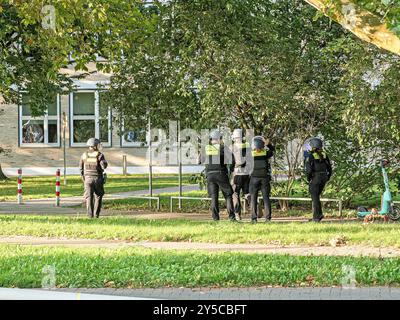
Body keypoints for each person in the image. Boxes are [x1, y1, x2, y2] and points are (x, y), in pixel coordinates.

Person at [200, 130, 235, 221]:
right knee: (228, 195)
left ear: (211, 139)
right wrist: (230, 170)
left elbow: (199, 160)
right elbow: (232, 160)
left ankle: (215, 218)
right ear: (219, 139)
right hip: (221, 173)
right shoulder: (223, 147)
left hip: (210, 175)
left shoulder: (206, 148)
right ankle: (231, 217)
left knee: (214, 197)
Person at [305, 137, 332, 222]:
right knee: (316, 196)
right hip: (324, 177)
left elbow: (309, 170)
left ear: (313, 145)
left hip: (315, 178)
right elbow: (329, 168)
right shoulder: (324, 154)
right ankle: (319, 215)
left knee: (315, 197)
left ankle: (316, 217)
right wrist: (327, 177)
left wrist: (309, 179)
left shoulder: (310, 155)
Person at [79, 138, 108, 218]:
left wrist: (83, 177)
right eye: (98, 145)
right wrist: (104, 162)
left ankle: (89, 216)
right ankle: (96, 215)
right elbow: (104, 166)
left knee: (89, 197)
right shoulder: (100, 155)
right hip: (97, 178)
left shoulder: (84, 155)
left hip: (87, 179)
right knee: (98, 196)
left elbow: (80, 168)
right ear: (95, 146)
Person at [249, 136, 275, 223]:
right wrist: (268, 144)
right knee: (266, 198)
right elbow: (273, 150)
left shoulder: (250, 154)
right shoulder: (265, 153)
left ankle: (253, 218)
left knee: (253, 198)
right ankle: (268, 218)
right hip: (264, 178)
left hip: (254, 178)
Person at [230, 129, 251, 220]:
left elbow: (230, 162)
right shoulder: (247, 146)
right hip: (247, 173)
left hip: (237, 173)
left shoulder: (232, 147)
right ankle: (256, 207)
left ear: (234, 137)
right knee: (247, 192)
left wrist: (231, 172)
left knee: (235, 193)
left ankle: (237, 214)